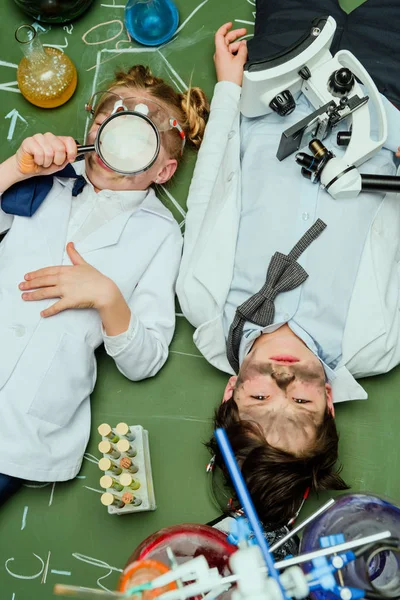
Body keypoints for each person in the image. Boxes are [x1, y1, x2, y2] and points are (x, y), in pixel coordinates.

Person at [177, 2, 400, 528]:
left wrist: (231, 90)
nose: (281, 377)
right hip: (386, 101)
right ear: (329, 402)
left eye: (259, 394)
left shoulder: (202, 302)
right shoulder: (378, 345)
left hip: (283, 78)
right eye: (300, 398)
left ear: (231, 391)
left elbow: (210, 190)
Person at [0, 65, 209, 504]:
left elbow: (144, 360)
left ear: (164, 171)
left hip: (23, 434)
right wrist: (13, 170)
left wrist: (108, 297)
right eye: (107, 125)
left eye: (140, 137)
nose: (118, 140)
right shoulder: (39, 174)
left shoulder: (160, 234)